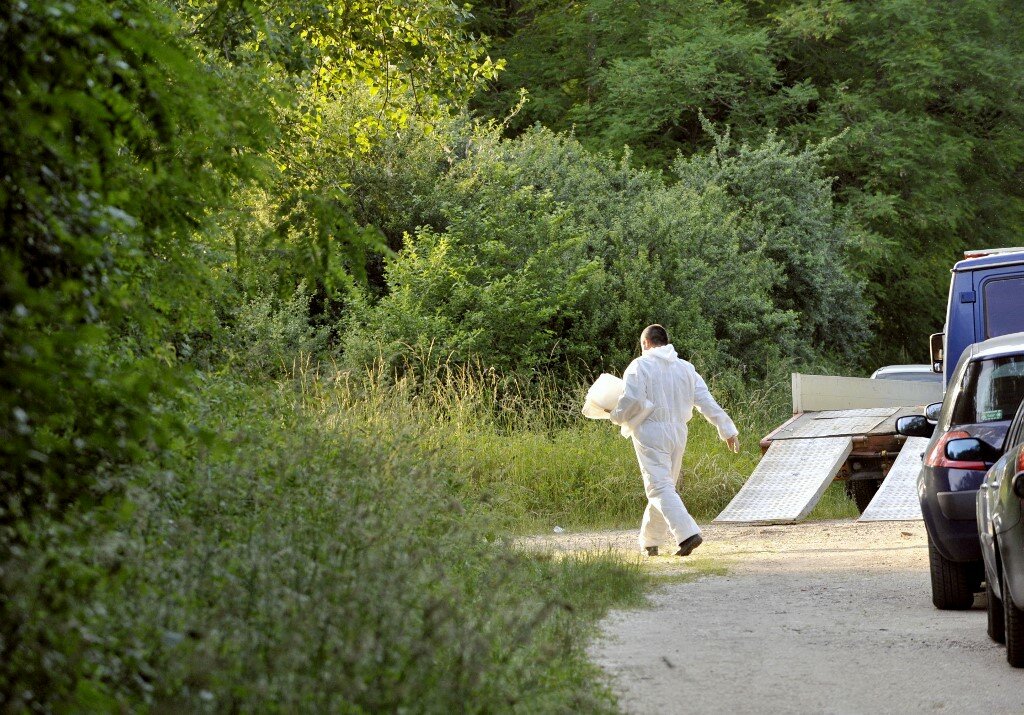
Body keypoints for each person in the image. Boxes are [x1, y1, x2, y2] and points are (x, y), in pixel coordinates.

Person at [610, 325, 739, 557]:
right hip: (678, 432)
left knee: (659, 487)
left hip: (650, 431)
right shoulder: (686, 368)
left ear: (645, 343)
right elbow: (705, 401)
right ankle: (650, 542)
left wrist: (615, 416)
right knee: (663, 487)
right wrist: (727, 429)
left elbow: (631, 399)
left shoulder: (640, 365)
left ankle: (688, 534)